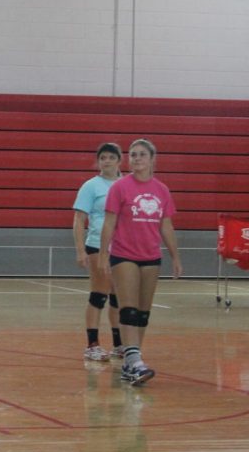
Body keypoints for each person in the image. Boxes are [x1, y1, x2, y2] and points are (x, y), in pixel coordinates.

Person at [99, 138, 182, 386]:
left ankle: (132, 361)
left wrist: (175, 256)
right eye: (133, 155)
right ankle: (134, 360)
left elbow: (166, 225)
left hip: (151, 257)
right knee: (129, 309)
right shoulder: (120, 187)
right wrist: (104, 253)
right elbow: (109, 222)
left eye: (141, 155)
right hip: (124, 255)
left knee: (143, 314)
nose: (136, 159)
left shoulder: (162, 190)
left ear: (152, 159)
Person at [72, 143, 124, 362]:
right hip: (97, 246)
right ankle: (92, 345)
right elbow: (78, 219)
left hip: (123, 247)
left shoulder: (126, 184)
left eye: (111, 157)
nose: (107, 161)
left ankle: (119, 344)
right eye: (103, 157)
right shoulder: (91, 186)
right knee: (98, 294)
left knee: (118, 297)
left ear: (119, 160)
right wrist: (81, 250)